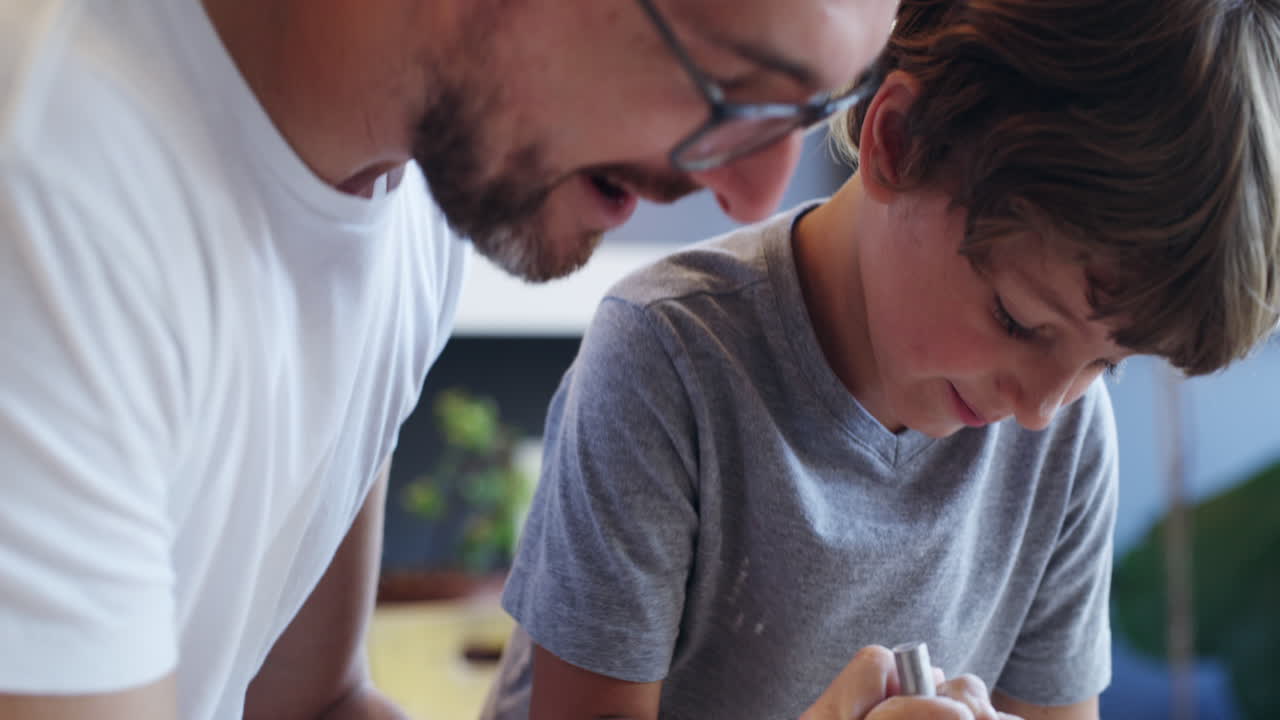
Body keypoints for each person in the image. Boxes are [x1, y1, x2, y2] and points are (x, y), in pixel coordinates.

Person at [0, 0, 954, 719]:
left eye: (806, 112)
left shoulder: (411, 195)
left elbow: (309, 707)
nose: (753, 197)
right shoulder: (51, 189)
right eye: (732, 87)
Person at [482, 0, 1280, 718]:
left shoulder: (1068, 438)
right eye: (1019, 319)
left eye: (1109, 363)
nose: (1043, 407)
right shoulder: (669, 358)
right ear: (897, 140)